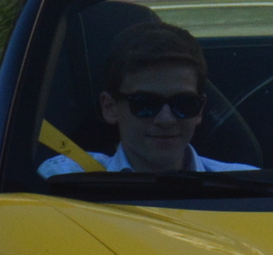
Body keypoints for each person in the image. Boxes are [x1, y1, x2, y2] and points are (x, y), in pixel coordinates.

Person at [39, 21, 254, 177]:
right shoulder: (64, 178)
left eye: (184, 104)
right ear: (110, 107)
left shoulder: (247, 185)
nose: (166, 119)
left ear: (200, 110)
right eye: (145, 104)